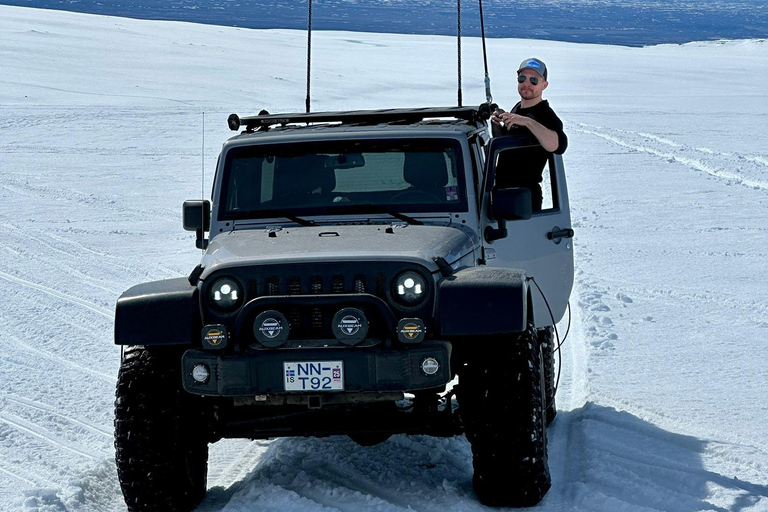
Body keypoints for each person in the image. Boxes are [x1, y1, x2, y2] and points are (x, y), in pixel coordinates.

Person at [490, 57, 568, 211]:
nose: (527, 84)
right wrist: (498, 126)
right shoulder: (518, 109)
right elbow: (510, 148)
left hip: (524, 199)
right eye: (522, 78)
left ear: (544, 85)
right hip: (502, 192)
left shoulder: (546, 115)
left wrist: (528, 122)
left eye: (534, 80)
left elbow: (558, 145)